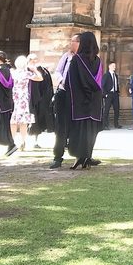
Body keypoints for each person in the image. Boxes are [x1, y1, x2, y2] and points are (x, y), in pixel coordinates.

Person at [65, 30, 103, 169]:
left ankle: (80, 158)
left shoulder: (77, 60)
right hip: (94, 101)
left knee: (79, 130)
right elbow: (98, 82)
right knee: (90, 130)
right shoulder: (98, 61)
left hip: (80, 101)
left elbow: (71, 81)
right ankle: (87, 156)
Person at [49, 34, 79, 169]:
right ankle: (57, 157)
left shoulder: (83, 58)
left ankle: (81, 155)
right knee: (61, 127)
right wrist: (61, 81)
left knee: (78, 126)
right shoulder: (66, 56)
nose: (70, 44)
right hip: (63, 93)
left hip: (77, 96)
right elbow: (58, 71)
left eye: (73, 41)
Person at [10, 55, 43, 151]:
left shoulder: (13, 73)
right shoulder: (26, 73)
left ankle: (14, 140)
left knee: (14, 121)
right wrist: (35, 70)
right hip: (23, 97)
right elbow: (40, 78)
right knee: (23, 121)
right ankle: (23, 141)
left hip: (15, 97)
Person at [28, 54, 55, 144]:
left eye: (36, 59)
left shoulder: (42, 70)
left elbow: (47, 85)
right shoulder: (25, 71)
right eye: (32, 59)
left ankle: (35, 140)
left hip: (39, 99)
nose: (34, 61)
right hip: (27, 98)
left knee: (37, 119)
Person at [102, 62, 121, 129]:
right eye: (113, 66)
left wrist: (118, 92)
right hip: (109, 94)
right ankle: (105, 125)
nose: (114, 67)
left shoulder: (116, 75)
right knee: (106, 110)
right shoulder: (106, 75)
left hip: (115, 94)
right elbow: (102, 86)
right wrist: (105, 94)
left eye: (115, 66)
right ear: (109, 66)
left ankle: (116, 124)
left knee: (117, 110)